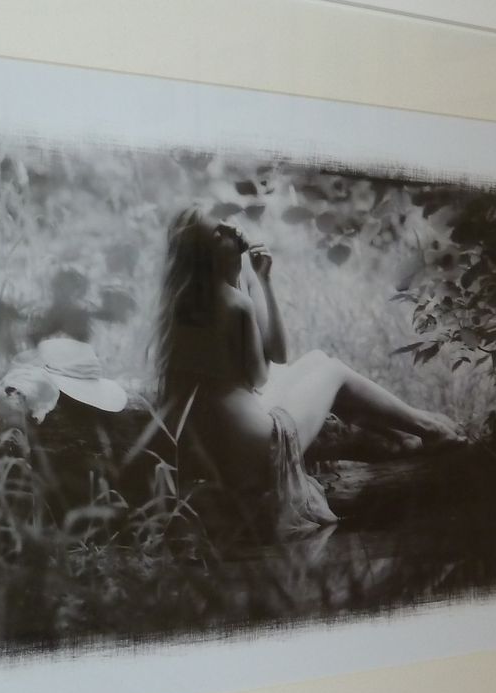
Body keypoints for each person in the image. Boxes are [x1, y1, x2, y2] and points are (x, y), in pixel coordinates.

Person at [153, 206, 465, 533]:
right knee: (334, 372)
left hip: (233, 446)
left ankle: (400, 439)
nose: (231, 229)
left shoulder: (188, 299)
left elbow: (279, 355)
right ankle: (428, 427)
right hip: (262, 451)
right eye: (219, 233)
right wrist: (242, 290)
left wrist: (263, 280)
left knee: (317, 360)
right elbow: (259, 376)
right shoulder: (229, 300)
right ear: (205, 255)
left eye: (224, 221)